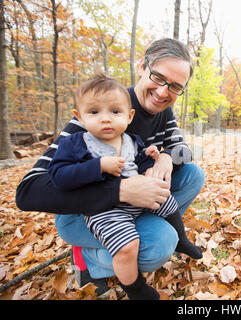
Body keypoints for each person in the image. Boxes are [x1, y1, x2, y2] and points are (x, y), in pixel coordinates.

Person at [15, 38, 205, 297]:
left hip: (131, 205)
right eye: (158, 77)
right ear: (142, 66)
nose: (163, 92)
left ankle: (144, 232)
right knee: (161, 244)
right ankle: (91, 261)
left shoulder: (163, 111)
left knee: (193, 174)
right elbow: (28, 190)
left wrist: (167, 157)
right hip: (83, 213)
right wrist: (119, 191)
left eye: (174, 86)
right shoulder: (105, 107)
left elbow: (184, 150)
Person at [47, 74, 202, 300]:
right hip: (103, 210)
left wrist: (152, 160)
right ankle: (133, 287)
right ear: (79, 117)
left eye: (114, 112)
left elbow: (140, 162)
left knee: (165, 200)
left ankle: (182, 240)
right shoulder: (76, 143)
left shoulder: (129, 139)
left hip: (135, 200)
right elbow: (58, 176)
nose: (105, 119)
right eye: (94, 112)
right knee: (128, 245)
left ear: (129, 117)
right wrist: (97, 166)